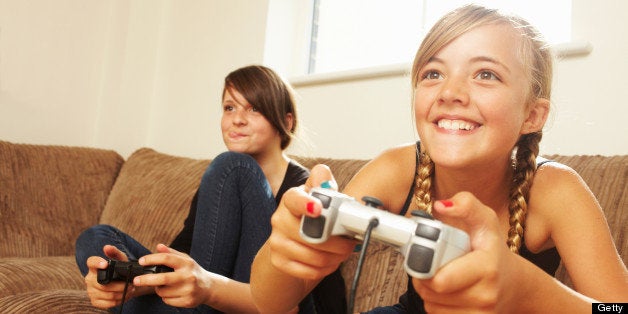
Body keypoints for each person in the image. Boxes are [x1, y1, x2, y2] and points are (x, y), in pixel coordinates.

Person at [250, 4, 628, 313]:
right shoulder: (398, 168)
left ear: (532, 115)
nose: (449, 92)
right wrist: (284, 250)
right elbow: (271, 301)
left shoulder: (556, 190)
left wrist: (532, 293)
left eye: (485, 74)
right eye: (433, 73)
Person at [75, 65, 345, 313]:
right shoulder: (222, 183)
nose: (237, 119)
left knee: (233, 166)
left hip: (268, 304)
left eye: (253, 109)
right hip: (205, 298)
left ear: (286, 122)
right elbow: (186, 256)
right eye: (229, 108)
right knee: (95, 238)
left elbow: (319, 291)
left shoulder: (305, 189)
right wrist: (137, 282)